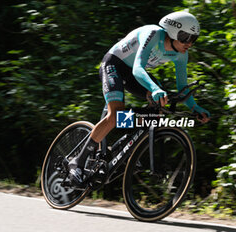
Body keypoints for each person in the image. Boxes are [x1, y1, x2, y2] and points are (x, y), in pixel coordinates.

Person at [68, 11, 210, 186]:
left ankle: (126, 146)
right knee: (115, 115)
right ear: (172, 32)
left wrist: (195, 108)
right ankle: (78, 162)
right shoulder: (153, 34)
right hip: (115, 64)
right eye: (185, 37)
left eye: (193, 39)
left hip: (134, 74)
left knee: (158, 109)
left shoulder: (181, 54)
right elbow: (138, 68)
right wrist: (154, 88)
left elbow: (182, 88)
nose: (189, 43)